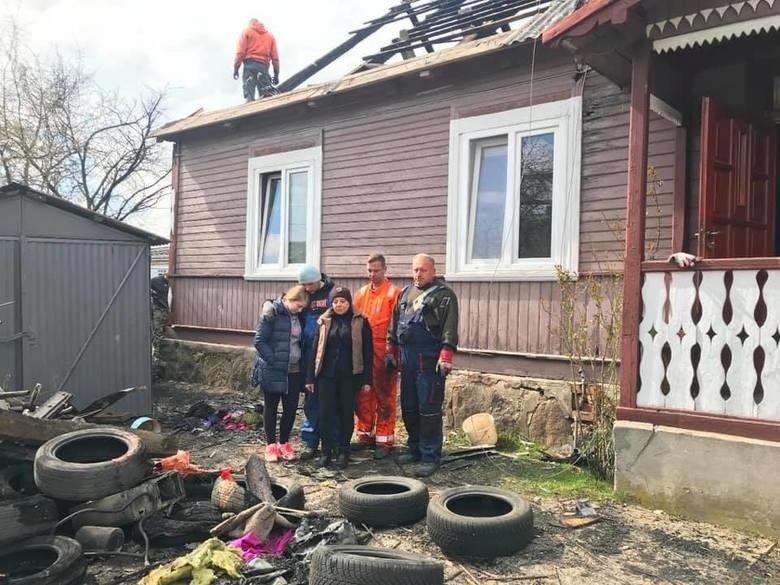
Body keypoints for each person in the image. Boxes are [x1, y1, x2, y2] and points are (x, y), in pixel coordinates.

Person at [387, 254, 459, 477]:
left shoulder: (444, 296)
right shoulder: (405, 293)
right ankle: (415, 448)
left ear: (433, 271)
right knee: (409, 407)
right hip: (407, 360)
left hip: (429, 361)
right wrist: (391, 350)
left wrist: (446, 355)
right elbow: (394, 324)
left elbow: (450, 327)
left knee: (428, 410)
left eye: (423, 270)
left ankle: (430, 455)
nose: (418, 274)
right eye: (416, 270)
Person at [306, 287, 372, 469]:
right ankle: (326, 452)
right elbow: (314, 351)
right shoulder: (324, 321)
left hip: (350, 377)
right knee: (325, 414)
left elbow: (368, 352)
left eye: (342, 301)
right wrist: (310, 378)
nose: (339, 305)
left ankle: (343, 451)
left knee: (345, 414)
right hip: (326, 376)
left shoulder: (360, 321)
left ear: (349, 302)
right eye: (335, 302)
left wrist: (367, 380)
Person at [251, 285, 309, 462]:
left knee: (291, 409)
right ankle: (271, 446)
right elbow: (259, 341)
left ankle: (284, 443)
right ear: (290, 300)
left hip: (294, 369)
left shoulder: (299, 317)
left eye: (302, 308)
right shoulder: (272, 313)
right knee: (271, 407)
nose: (300, 310)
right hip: (273, 368)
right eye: (298, 306)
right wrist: (273, 359)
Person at [353, 253, 402, 459]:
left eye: (376, 271)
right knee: (363, 394)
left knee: (385, 394)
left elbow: (398, 324)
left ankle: (385, 438)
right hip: (364, 350)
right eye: (369, 271)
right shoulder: (361, 293)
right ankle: (365, 435)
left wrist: (393, 351)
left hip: (384, 350)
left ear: (385, 270)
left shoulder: (394, 293)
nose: (372, 274)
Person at [297, 264, 337, 460]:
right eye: (303, 285)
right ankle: (309, 441)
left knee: (332, 401)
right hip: (307, 356)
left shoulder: (333, 293)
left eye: (308, 285)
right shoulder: (303, 293)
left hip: (328, 357)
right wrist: (269, 304)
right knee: (311, 399)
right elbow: (286, 300)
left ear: (316, 281)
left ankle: (333, 442)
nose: (306, 289)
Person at [233, 18, 280, 102]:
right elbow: (275, 58)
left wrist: (236, 68)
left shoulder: (247, 31)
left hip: (249, 66)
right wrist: (276, 74)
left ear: (250, 23)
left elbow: (240, 52)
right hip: (263, 68)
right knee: (266, 97)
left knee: (249, 98)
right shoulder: (270, 36)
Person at [150, 271, 169, 368]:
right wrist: (153, 295)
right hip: (157, 309)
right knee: (158, 332)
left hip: (165, 310)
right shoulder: (156, 281)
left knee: (160, 331)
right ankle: (157, 355)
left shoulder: (170, 283)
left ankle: (158, 354)